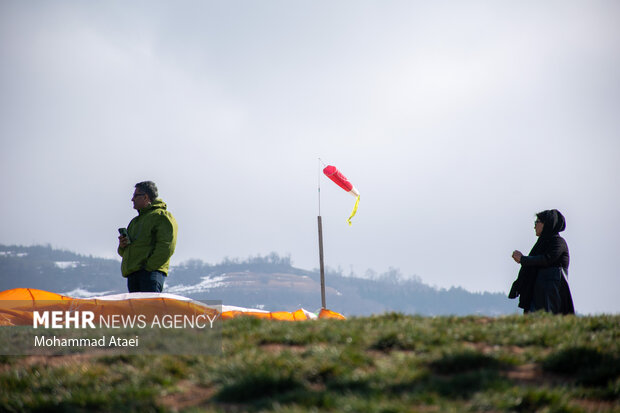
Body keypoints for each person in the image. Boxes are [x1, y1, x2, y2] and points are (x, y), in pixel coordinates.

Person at [509, 209, 574, 314]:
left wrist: (523, 259)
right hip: (538, 293)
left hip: (552, 294)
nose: (534, 226)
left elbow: (546, 259)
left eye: (537, 222)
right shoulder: (541, 243)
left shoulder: (558, 242)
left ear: (546, 223)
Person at [118, 181, 178, 293]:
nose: (132, 199)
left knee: (149, 309)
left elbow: (166, 246)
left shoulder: (162, 216)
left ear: (145, 197)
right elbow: (125, 252)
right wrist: (122, 246)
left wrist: (149, 268)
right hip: (134, 275)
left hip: (151, 274)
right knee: (137, 310)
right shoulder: (134, 222)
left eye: (135, 195)